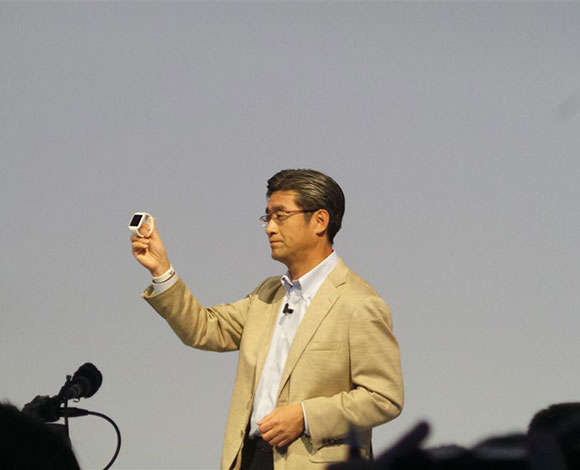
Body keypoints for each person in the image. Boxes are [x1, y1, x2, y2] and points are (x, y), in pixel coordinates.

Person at [131, 169, 404, 470]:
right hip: (250, 458)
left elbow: (383, 397)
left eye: (280, 216)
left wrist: (305, 416)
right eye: (267, 217)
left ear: (320, 221)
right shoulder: (268, 294)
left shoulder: (358, 302)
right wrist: (161, 270)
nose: (270, 228)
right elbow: (204, 329)